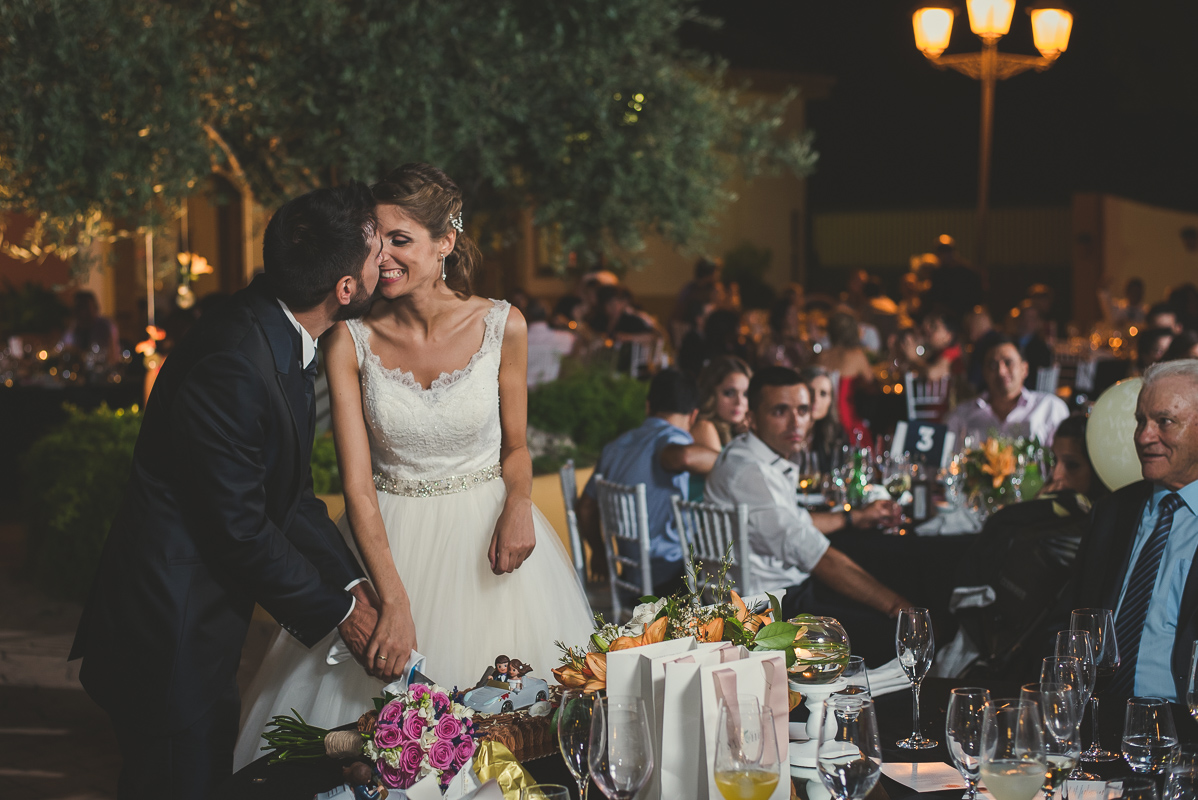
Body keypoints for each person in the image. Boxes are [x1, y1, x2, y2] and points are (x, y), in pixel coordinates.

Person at [234, 164, 593, 767]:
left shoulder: (503, 325)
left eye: (401, 240)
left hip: (491, 549)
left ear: (445, 242)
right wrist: (393, 602)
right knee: (377, 746)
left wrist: (520, 502)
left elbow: (516, 447)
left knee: (517, 745)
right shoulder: (350, 339)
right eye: (377, 240)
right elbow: (357, 487)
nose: (384, 256)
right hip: (388, 542)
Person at [68, 184, 386, 799]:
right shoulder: (235, 362)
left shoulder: (279, 325)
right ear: (344, 289)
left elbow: (289, 498)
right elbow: (240, 528)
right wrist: (344, 615)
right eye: (376, 255)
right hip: (166, 631)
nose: (386, 266)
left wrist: (354, 585)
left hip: (199, 627)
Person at [704, 367, 910, 665]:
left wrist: (853, 518)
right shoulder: (752, 472)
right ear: (752, 416)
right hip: (767, 610)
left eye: (802, 410)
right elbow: (816, 556)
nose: (796, 422)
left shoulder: (747, 453)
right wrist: (899, 607)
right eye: (779, 411)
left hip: (773, 591)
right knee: (891, 631)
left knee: (877, 565)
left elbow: (795, 523)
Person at [1073, 359, 1198, 701]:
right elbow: (1075, 619)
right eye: (1141, 420)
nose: (1144, 436)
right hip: (1099, 720)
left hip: (1187, 731)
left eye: (1165, 422)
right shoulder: (1113, 512)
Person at [575, 370, 719, 595]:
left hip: (631, 576)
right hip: (670, 578)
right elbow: (683, 457)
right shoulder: (672, 437)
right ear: (693, 415)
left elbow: (585, 507)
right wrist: (732, 462)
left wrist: (600, 553)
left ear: (648, 406)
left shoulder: (614, 447)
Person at [944, 337, 1069, 445]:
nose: (1001, 371)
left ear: (1024, 369)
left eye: (1008, 362)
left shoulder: (1050, 408)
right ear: (984, 373)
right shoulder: (961, 416)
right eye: (992, 365)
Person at [691, 356, 753, 452]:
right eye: (729, 393)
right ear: (711, 394)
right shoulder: (704, 427)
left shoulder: (743, 431)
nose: (739, 402)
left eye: (745, 394)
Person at [797, 366, 846, 475]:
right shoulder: (784, 430)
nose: (816, 399)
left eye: (823, 393)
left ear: (831, 400)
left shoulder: (836, 433)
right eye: (810, 391)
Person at [61, 290, 121, 364]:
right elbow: (67, 350)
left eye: (86, 307)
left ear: (95, 307)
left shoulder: (105, 326)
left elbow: (112, 355)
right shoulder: (72, 329)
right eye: (79, 308)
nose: (83, 313)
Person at [525, 299, 575, 386]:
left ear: (526, 315)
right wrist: (566, 323)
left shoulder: (518, 339)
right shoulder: (565, 338)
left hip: (525, 392)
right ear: (548, 314)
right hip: (552, 392)